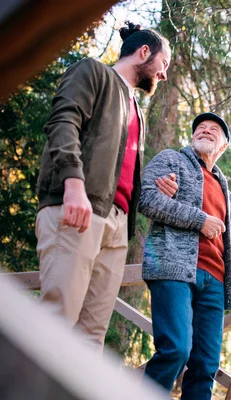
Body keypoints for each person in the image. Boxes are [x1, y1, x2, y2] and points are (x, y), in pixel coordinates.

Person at [35, 22, 175, 351]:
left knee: (90, 339)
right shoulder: (93, 72)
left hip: (115, 228)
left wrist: (149, 184)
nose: (164, 75)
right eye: (164, 64)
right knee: (56, 322)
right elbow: (63, 121)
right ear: (144, 52)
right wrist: (73, 184)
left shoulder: (136, 109)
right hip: (76, 210)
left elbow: (112, 164)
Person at [139, 112, 231, 399]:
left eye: (214, 130)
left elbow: (229, 244)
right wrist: (200, 220)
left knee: (205, 365)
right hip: (173, 271)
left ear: (222, 147)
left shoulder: (225, 191)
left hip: (214, 283)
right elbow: (146, 198)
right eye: (201, 128)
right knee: (176, 349)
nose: (206, 131)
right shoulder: (172, 160)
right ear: (193, 136)